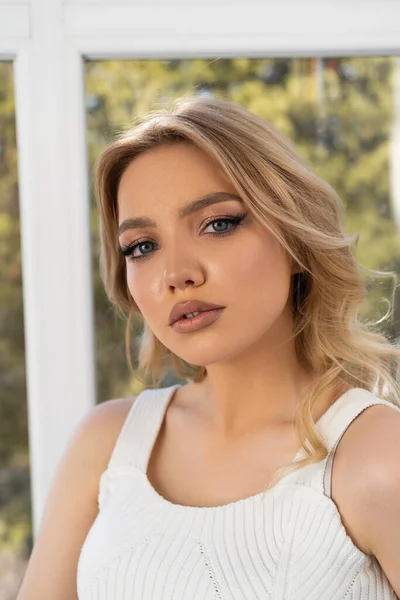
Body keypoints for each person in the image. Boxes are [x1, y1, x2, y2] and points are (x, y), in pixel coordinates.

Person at [17, 96, 400, 600]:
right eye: (142, 247)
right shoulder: (107, 445)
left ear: (293, 238)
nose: (176, 274)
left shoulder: (377, 454)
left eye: (218, 223)